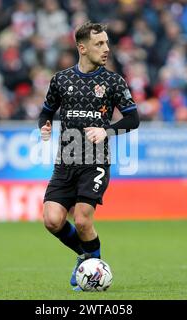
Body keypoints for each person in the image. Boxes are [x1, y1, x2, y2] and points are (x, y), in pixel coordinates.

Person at [38, 21, 139, 291]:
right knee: (52, 220)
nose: (106, 48)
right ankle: (86, 256)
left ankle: (93, 266)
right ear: (82, 48)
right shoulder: (61, 79)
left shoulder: (113, 81)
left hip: (95, 162)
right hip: (65, 162)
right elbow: (46, 110)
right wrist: (44, 125)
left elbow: (133, 119)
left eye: (106, 42)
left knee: (82, 219)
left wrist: (107, 131)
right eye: (99, 44)